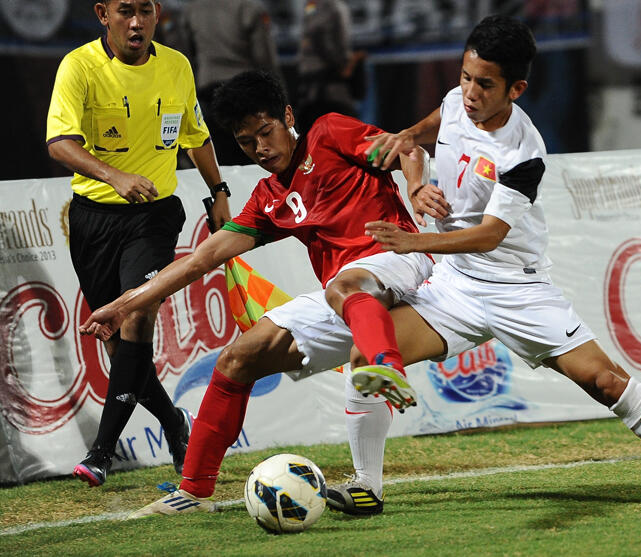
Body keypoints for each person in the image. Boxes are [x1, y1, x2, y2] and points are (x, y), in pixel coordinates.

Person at [337, 14, 641, 514]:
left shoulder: (524, 151)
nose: (470, 92)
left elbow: (491, 236)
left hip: (516, 289)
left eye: (485, 84)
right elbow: (419, 134)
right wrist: (413, 173)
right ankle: (367, 486)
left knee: (606, 383)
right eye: (465, 76)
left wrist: (415, 244)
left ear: (516, 88)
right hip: (455, 286)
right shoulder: (455, 103)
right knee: (365, 357)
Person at [79, 69, 431, 518]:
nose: (261, 149)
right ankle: (194, 490)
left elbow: (407, 148)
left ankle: (387, 366)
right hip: (344, 295)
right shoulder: (268, 198)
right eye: (247, 143)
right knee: (238, 357)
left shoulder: (329, 132)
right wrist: (121, 305)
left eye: (266, 133)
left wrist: (416, 188)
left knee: (347, 285)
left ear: (287, 116)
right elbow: (198, 261)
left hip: (399, 257)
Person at [45, 0, 231, 488]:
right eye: (126, 10)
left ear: (157, 13)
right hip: (93, 221)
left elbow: (196, 135)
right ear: (103, 13)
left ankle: (102, 452)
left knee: (136, 313)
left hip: (154, 217)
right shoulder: (79, 66)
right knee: (120, 338)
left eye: (145, 10)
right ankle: (175, 424)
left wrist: (218, 193)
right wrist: (113, 175)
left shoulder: (176, 65)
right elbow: (59, 142)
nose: (137, 22)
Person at [177, 0, 282, 165]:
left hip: (207, 91)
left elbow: (185, 54)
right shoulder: (249, 6)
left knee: (219, 161)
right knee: (252, 162)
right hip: (246, 93)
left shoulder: (192, 9)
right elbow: (264, 57)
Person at [296, 0, 366, 135]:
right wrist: (345, 65)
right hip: (331, 93)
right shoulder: (334, 6)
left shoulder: (311, 5)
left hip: (309, 94)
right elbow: (319, 37)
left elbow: (312, 33)